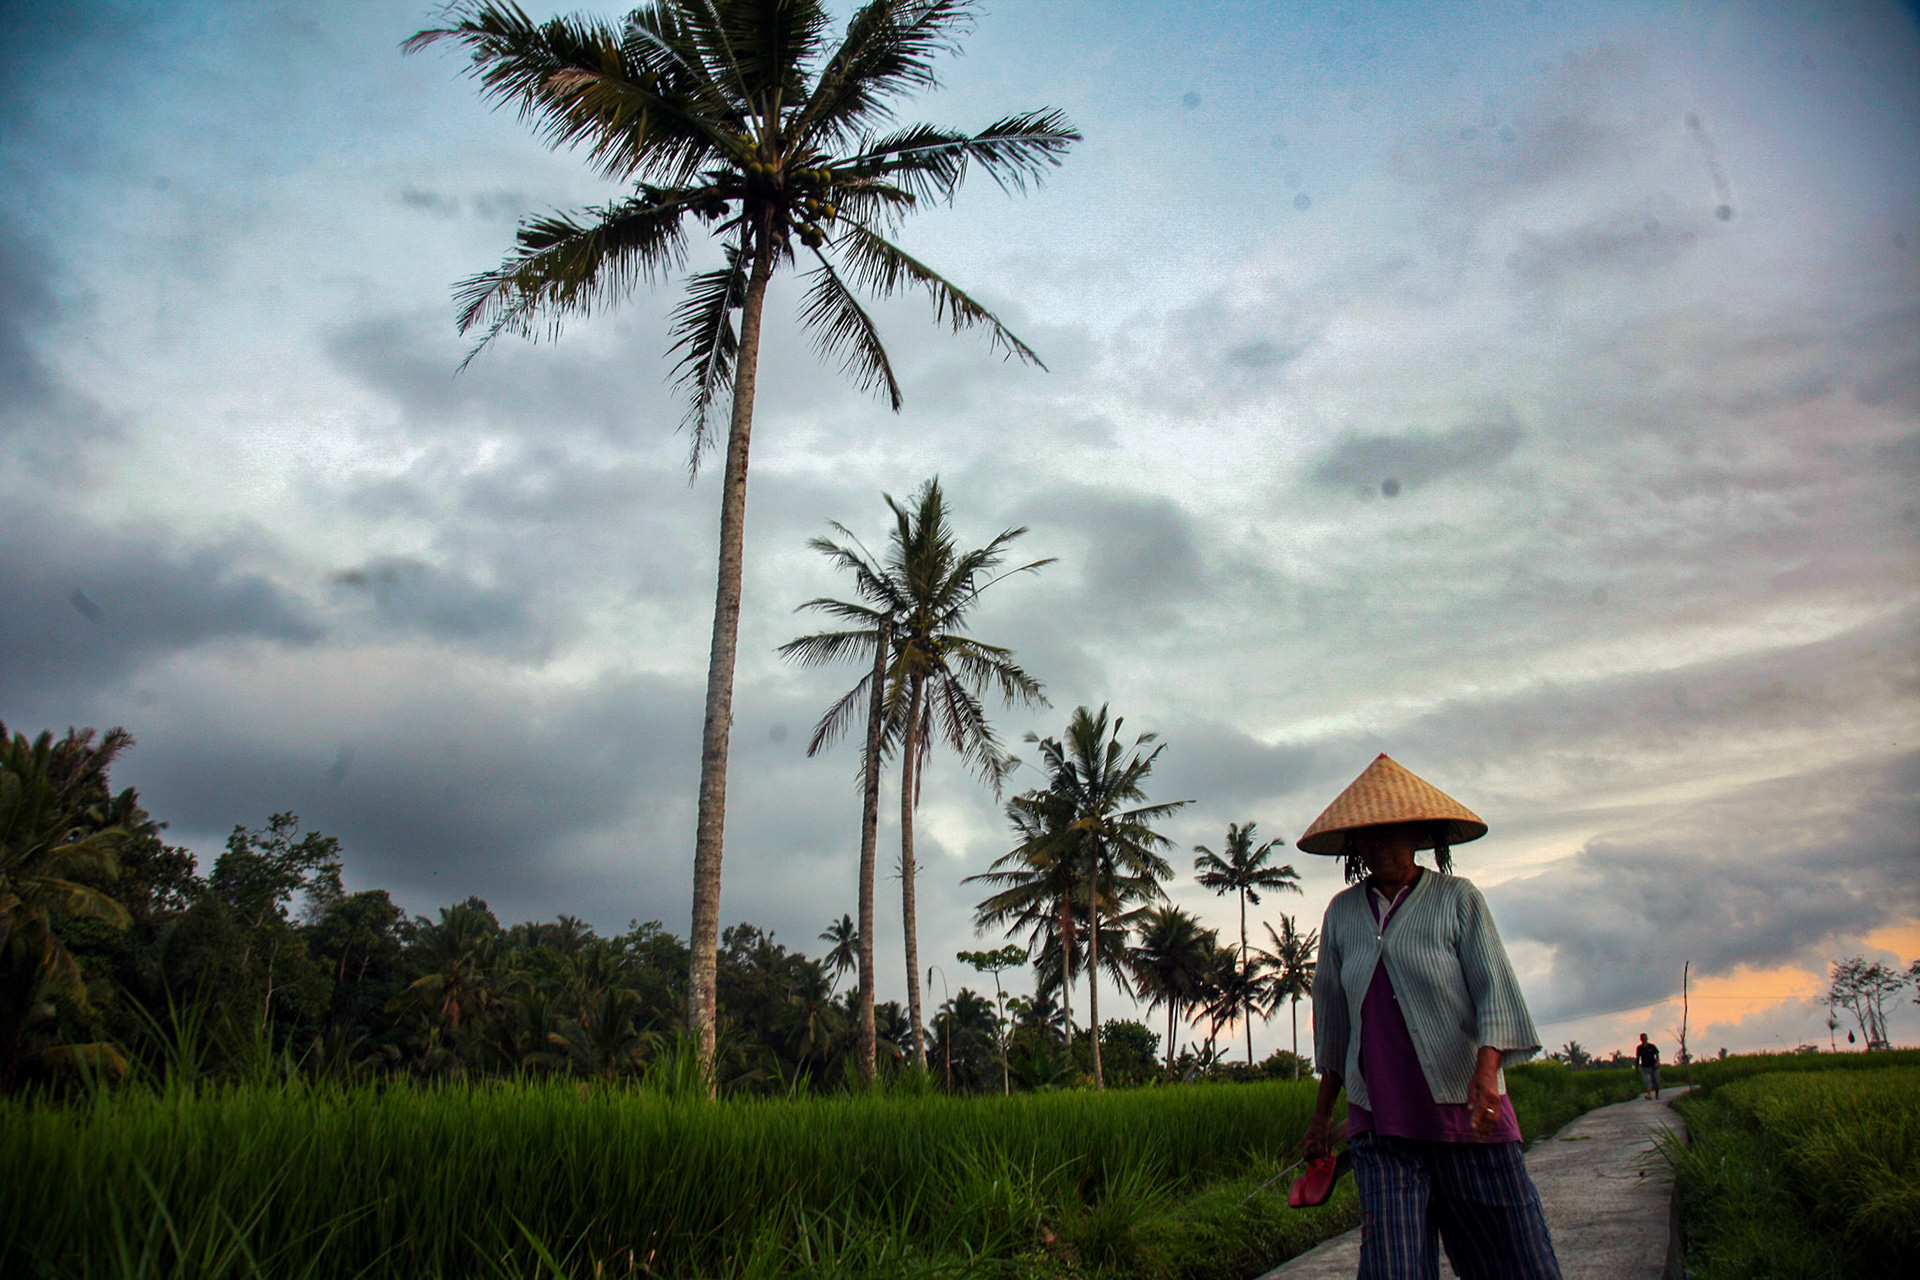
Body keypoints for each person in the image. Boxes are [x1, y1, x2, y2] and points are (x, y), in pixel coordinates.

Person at [1301, 754, 1560, 1280]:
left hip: (1465, 1114)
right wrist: (1322, 1116)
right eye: (1369, 839)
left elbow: (1494, 992)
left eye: (1394, 836)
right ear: (1355, 847)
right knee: (1392, 1266)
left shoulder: (1456, 900)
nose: (1382, 849)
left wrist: (1487, 1074)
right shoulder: (1342, 914)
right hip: (1381, 1125)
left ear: (1419, 835)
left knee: (1513, 1258)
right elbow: (1334, 1025)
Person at [1635, 1033, 1661, 1100]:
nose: (1644, 1039)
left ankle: (1657, 1094)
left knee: (1656, 1082)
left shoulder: (1652, 1046)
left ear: (1647, 1038)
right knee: (1648, 1081)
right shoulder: (1639, 1048)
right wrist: (1637, 1068)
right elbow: (1638, 1058)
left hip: (1653, 1067)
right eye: (1642, 1038)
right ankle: (1649, 1095)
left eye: (1645, 1038)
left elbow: (1657, 1055)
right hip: (1645, 1068)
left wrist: (1657, 1063)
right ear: (1640, 1039)